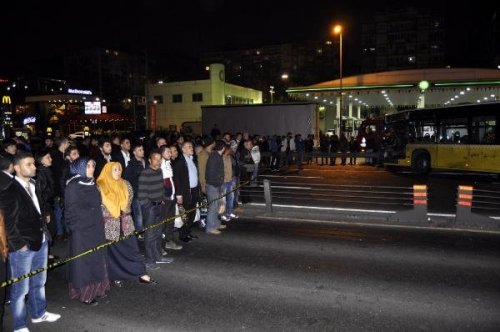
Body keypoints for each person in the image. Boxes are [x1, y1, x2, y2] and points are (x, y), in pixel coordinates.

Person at [0, 152, 60, 331]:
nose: (34, 167)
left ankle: (38, 313)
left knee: (39, 281)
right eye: (29, 164)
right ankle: (19, 325)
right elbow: (8, 223)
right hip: (23, 247)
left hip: (40, 240)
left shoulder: (33, 184)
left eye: (34, 163)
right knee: (20, 289)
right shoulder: (9, 189)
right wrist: (20, 245)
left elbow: (37, 209)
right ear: (17, 168)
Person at [96, 162, 156, 286]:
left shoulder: (126, 184)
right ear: (108, 171)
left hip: (126, 222)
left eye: (119, 170)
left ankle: (141, 273)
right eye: (115, 170)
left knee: (132, 249)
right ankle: (116, 276)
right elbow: (98, 206)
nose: (118, 172)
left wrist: (121, 211)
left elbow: (128, 202)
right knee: (114, 253)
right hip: (110, 225)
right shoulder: (100, 186)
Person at [65, 157, 110, 306]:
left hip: (95, 227)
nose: (91, 169)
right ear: (79, 168)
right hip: (82, 231)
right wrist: (77, 230)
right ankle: (86, 294)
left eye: (93, 165)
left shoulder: (92, 183)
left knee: (96, 259)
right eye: (88, 166)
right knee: (84, 262)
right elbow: (70, 211)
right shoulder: (73, 186)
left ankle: (98, 289)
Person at [137, 150, 174, 270]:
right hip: (150, 209)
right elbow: (141, 195)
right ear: (149, 160)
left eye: (160, 159)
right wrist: (149, 206)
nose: (158, 162)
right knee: (150, 234)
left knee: (158, 233)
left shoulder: (160, 171)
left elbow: (161, 188)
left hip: (160, 206)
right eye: (155, 159)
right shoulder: (145, 173)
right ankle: (149, 260)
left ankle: (158, 256)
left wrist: (162, 200)